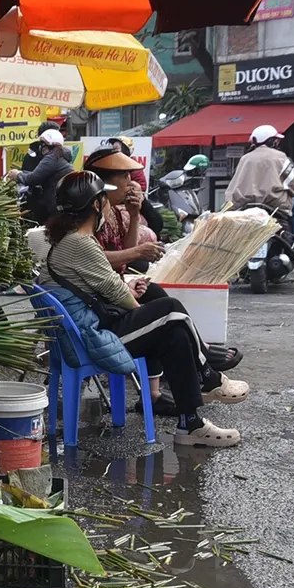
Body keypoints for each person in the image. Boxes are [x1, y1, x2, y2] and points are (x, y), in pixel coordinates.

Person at [39, 171, 249, 447]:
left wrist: (134, 298)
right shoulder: (78, 243)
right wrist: (145, 311)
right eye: (104, 198)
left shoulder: (72, 240)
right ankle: (208, 377)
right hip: (91, 340)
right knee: (169, 310)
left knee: (172, 333)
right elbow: (114, 291)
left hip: (89, 329)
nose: (108, 205)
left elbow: (103, 286)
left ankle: (191, 424)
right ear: (95, 204)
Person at [227, 124, 294, 288]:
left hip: (246, 207)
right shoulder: (281, 157)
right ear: (272, 141)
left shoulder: (245, 159)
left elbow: (235, 184)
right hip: (276, 206)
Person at [84, 148, 165, 274]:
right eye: (124, 176)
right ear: (103, 182)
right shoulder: (88, 215)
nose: (130, 182)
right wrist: (139, 251)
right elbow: (92, 259)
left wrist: (134, 215)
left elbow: (126, 253)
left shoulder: (114, 212)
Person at [7, 128, 74, 224]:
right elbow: (38, 173)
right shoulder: (59, 157)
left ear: (45, 144)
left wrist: (17, 175)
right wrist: (22, 172)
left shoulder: (51, 158)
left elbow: (33, 178)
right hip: (63, 205)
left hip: (58, 207)